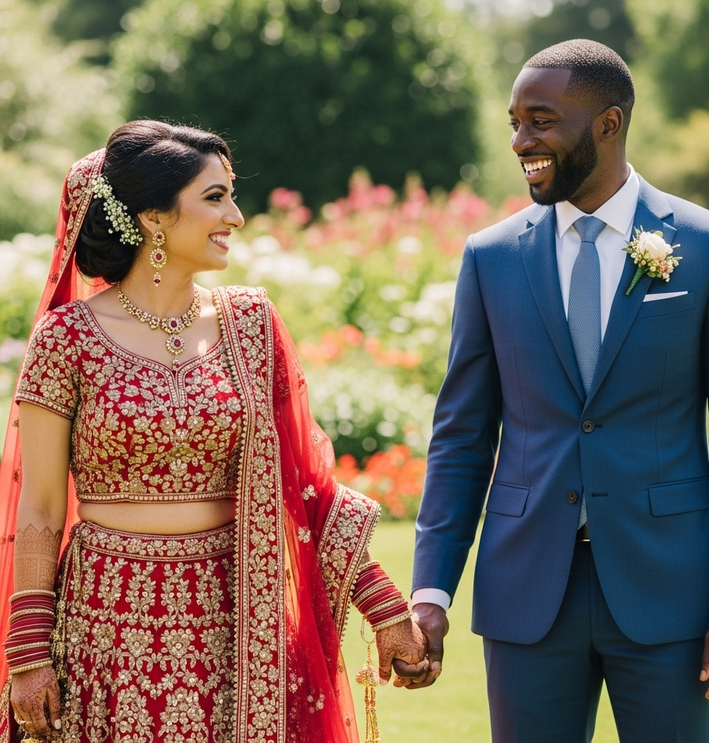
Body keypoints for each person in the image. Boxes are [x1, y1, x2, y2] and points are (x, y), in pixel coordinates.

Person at [0, 120, 428, 743]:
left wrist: (384, 607)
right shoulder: (66, 339)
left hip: (233, 625)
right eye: (215, 197)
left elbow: (307, 487)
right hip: (106, 622)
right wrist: (28, 654)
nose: (236, 216)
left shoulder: (250, 323)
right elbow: (38, 509)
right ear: (153, 217)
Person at [408, 39, 709, 742]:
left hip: (672, 594)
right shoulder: (490, 257)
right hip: (525, 593)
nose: (521, 142)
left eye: (541, 121)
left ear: (608, 124)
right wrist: (431, 592)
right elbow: (461, 436)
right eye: (515, 122)